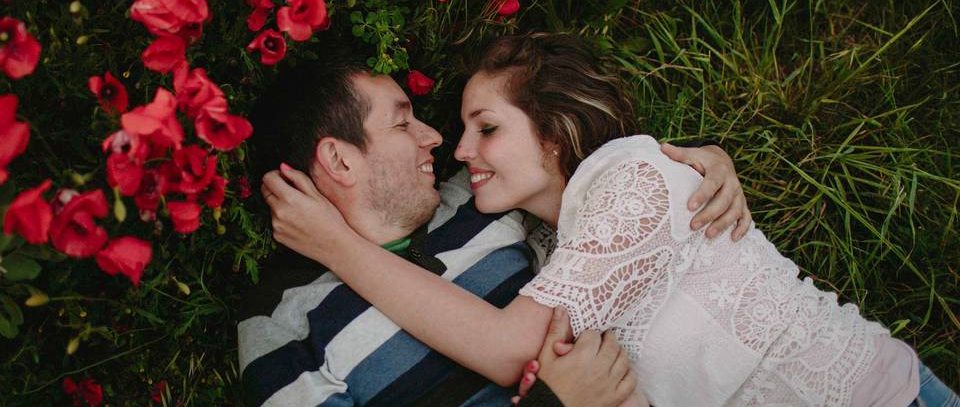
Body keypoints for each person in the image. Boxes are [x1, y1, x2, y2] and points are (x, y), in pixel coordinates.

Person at [264, 33, 959, 407]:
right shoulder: (544, 238)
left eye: (486, 128)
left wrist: (335, 245)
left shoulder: (630, 178)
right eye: (451, 128)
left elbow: (514, 347)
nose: (455, 148)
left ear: (555, 135)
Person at [239, 50, 749, 406]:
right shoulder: (280, 325)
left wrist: (700, 161)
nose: (436, 138)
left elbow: (579, 163)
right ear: (339, 160)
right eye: (402, 123)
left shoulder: (473, 201)